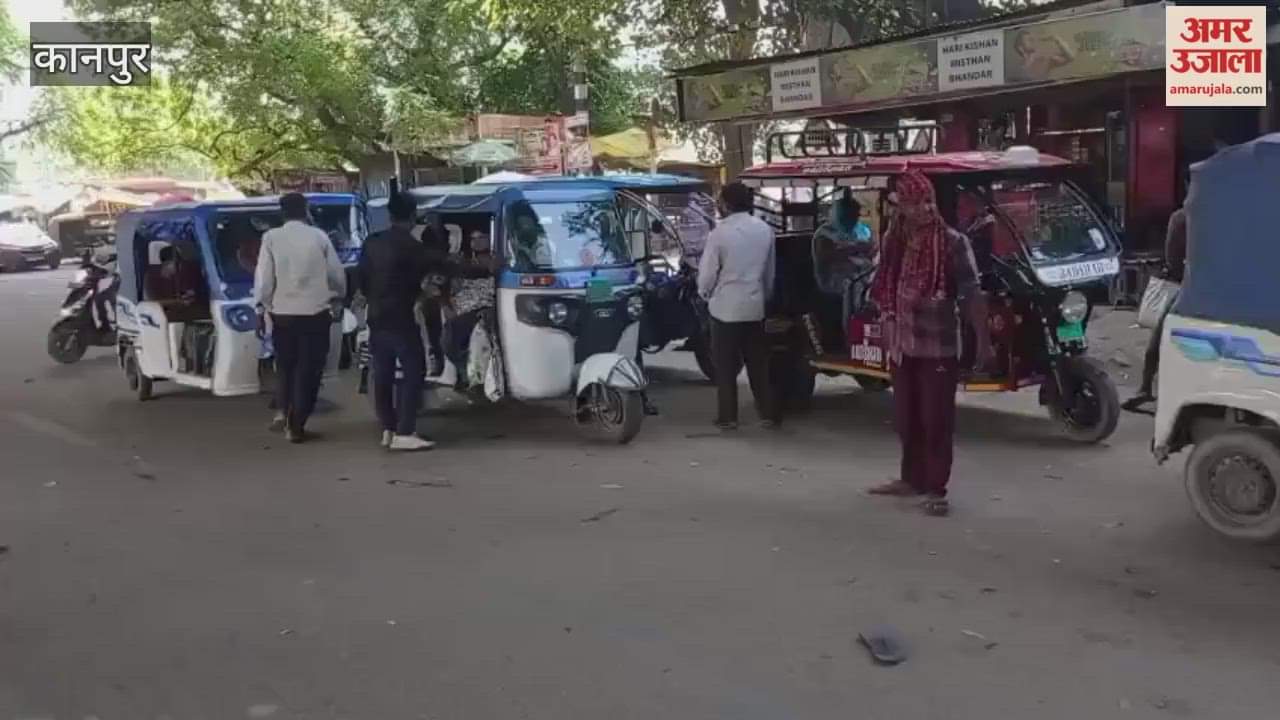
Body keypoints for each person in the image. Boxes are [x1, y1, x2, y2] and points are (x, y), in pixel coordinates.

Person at [867, 170, 993, 517]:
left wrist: (983, 342)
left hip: (937, 345)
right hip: (901, 345)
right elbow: (883, 284)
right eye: (912, 203)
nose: (922, 208)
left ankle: (936, 489)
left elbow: (971, 295)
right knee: (906, 419)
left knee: (936, 420)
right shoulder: (895, 239)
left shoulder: (952, 243)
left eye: (927, 201)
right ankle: (912, 479)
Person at [254, 193, 347, 443]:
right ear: (306, 210)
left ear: (282, 212)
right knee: (309, 370)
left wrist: (261, 310)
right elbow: (337, 276)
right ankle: (296, 424)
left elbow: (264, 280)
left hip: (282, 314)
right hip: (315, 313)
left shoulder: (271, 238)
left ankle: (284, 413)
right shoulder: (319, 237)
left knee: (286, 366)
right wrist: (338, 297)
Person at [696, 182, 779, 431]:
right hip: (754, 306)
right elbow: (769, 272)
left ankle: (728, 417)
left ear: (726, 204)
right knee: (758, 364)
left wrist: (704, 293)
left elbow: (708, 273)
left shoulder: (719, 233)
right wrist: (764, 296)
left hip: (724, 308)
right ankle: (768, 414)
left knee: (725, 366)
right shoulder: (765, 230)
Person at [358, 192, 436, 451]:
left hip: (377, 315)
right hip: (402, 316)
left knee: (383, 373)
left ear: (390, 215)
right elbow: (442, 266)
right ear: (413, 216)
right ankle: (405, 430)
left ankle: (388, 428)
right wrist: (484, 268)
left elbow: (362, 278)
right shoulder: (412, 247)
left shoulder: (372, 242)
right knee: (414, 371)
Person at [1124, 206, 1187, 411]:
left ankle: (1145, 387)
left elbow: (1173, 259)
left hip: (1188, 287)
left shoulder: (1181, 217)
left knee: (1157, 342)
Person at [443, 230, 498, 389]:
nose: (476, 241)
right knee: (449, 337)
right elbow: (451, 288)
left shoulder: (496, 262)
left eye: (481, 237)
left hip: (485, 309)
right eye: (473, 238)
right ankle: (464, 372)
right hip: (461, 309)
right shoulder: (461, 262)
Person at [813, 190, 874, 295]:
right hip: (835, 283)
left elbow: (868, 248)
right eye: (852, 216)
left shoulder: (856, 230)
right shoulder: (824, 233)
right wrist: (855, 248)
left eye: (857, 216)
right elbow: (827, 255)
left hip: (859, 277)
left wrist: (869, 249)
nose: (855, 219)